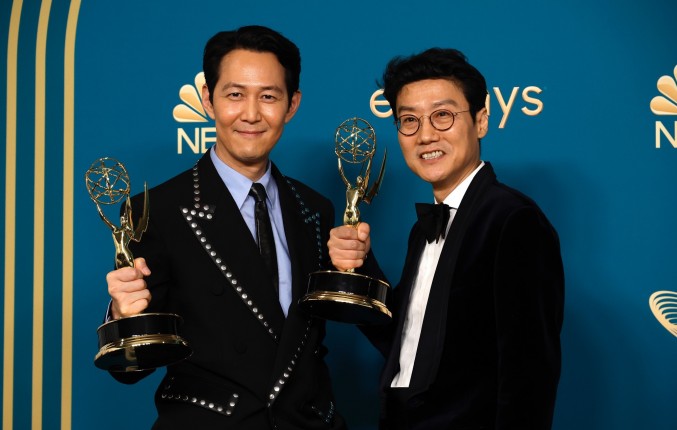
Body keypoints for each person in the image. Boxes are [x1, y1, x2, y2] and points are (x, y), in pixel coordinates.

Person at [104, 25, 346, 429]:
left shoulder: (315, 209)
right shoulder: (155, 210)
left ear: (292, 105)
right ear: (208, 100)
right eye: (235, 95)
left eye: (268, 96)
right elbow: (128, 370)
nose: (251, 114)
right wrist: (123, 317)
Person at [329, 48, 565, 429]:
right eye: (410, 120)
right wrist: (359, 264)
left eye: (442, 115)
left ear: (481, 121)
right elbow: (405, 341)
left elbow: (529, 375)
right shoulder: (423, 230)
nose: (425, 135)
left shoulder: (513, 221)